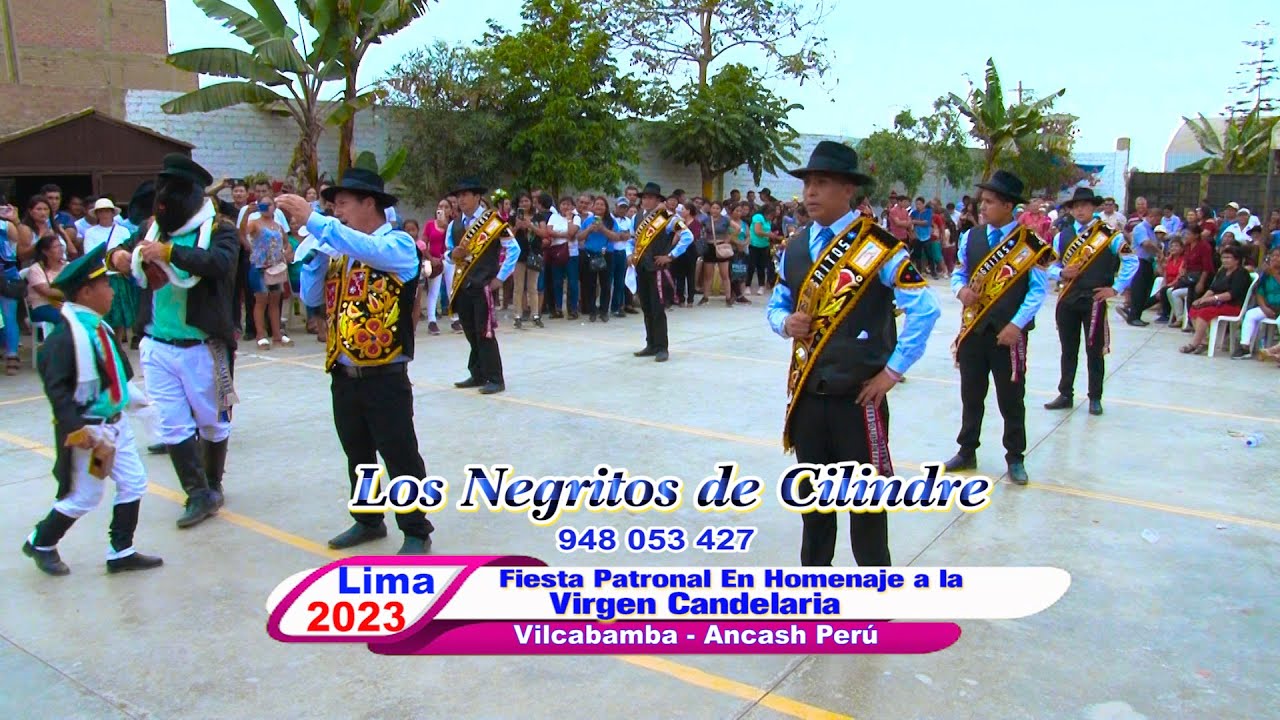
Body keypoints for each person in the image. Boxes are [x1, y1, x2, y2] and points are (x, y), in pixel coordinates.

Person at [765, 141, 941, 566]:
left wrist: (891, 374)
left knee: (866, 513)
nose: (810, 192)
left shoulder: (877, 247)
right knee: (814, 511)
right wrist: (785, 323)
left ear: (848, 190)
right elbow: (777, 303)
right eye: (808, 183)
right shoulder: (797, 246)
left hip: (857, 398)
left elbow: (925, 310)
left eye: (821, 183)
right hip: (808, 397)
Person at [279, 169, 434, 554]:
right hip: (345, 371)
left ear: (370, 203)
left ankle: (416, 529)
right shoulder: (341, 250)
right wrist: (314, 254)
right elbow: (310, 295)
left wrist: (317, 221)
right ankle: (368, 519)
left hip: (384, 372)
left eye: (343, 204)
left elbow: (370, 251)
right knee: (358, 451)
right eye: (333, 207)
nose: (338, 212)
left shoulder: (396, 244)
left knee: (398, 452)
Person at [106, 154, 240, 528]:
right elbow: (117, 253)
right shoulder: (152, 229)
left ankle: (213, 484)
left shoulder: (220, 230)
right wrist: (118, 256)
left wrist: (170, 254)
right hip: (157, 343)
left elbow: (218, 265)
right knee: (173, 425)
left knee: (213, 423)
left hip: (203, 346)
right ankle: (197, 494)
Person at [22, 243, 163, 576]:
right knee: (85, 496)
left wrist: (141, 403)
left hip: (116, 426)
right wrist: (76, 429)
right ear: (85, 292)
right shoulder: (65, 338)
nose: (112, 292)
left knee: (133, 482)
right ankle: (41, 541)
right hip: (91, 430)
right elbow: (57, 391)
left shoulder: (100, 328)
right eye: (105, 286)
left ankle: (121, 550)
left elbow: (116, 376)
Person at [944, 171, 1052, 485]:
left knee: (1011, 397)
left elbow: (1037, 290)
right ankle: (967, 450)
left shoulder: (1029, 243)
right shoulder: (972, 236)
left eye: (990, 202)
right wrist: (960, 291)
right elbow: (959, 273)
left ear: (1008, 206)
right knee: (971, 394)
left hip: (1008, 334)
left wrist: (1017, 325)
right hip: (974, 330)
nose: (983, 207)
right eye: (983, 201)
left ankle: (1015, 456)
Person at [1043, 188, 1137, 416]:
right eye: (1076, 206)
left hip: (1094, 298)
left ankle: (1095, 396)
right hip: (1068, 298)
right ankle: (1065, 393)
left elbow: (1131, 260)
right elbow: (1048, 266)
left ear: (1093, 207)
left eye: (1085, 205)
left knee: (1094, 350)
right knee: (1068, 349)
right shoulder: (1061, 236)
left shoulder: (1109, 234)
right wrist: (1062, 273)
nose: (1080, 210)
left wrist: (1115, 288)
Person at [445, 177, 521, 394]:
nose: (461, 200)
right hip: (463, 285)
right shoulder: (455, 223)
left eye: (465, 195)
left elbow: (513, 249)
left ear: (477, 197)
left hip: (483, 285)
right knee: (469, 330)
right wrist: (453, 254)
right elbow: (447, 251)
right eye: (458, 196)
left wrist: (500, 278)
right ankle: (477, 373)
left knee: (484, 332)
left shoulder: (493, 222)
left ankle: (495, 377)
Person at [628, 183, 693, 362]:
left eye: (651, 197)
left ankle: (662, 347)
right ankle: (651, 344)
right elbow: (632, 240)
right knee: (646, 307)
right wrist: (629, 254)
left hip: (656, 268)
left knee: (658, 309)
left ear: (658, 200)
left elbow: (687, 236)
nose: (647, 200)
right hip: (641, 267)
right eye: (645, 197)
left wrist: (670, 256)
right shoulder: (637, 217)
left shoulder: (666, 217)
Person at [1181, 245, 1251, 355]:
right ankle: (1203, 342)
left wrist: (1211, 299)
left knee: (1204, 312)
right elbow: (1213, 289)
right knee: (1194, 308)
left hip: (1232, 305)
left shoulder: (1241, 273)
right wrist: (1202, 299)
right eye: (1223, 257)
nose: (1225, 260)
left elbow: (1232, 294)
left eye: (1228, 258)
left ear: (1237, 260)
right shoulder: (1222, 271)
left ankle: (1194, 343)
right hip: (1218, 303)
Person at [1233, 247, 1280, 358]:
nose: (1274, 258)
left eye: (1278, 256)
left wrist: (1274, 273)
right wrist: (1264, 307)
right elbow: (1259, 293)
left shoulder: (1271, 272)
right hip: (1269, 306)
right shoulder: (1266, 274)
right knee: (1251, 314)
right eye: (1273, 255)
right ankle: (1245, 347)